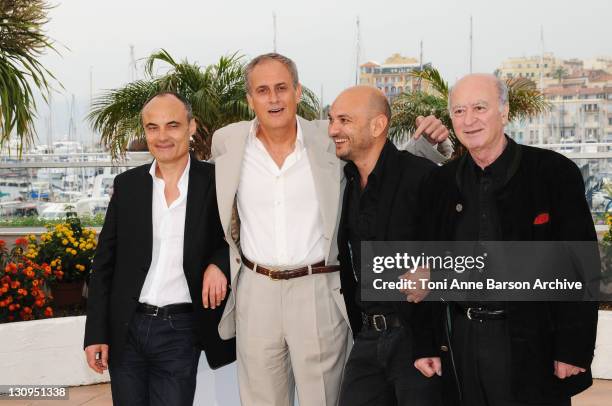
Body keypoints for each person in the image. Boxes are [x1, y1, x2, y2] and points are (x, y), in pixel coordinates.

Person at [211, 52, 450, 406]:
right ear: (250, 99)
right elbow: (209, 207)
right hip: (255, 291)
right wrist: (215, 261)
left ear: (297, 91)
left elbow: (384, 161)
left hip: (318, 290)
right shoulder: (227, 143)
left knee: (324, 399)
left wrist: (434, 144)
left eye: (281, 88)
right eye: (262, 90)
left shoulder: (330, 137)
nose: (273, 99)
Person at [414, 74, 599, 406]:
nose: (468, 120)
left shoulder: (554, 174)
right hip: (462, 340)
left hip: (531, 340)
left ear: (505, 111)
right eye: (458, 111)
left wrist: (573, 348)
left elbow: (581, 267)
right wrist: (426, 344)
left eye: (479, 108)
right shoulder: (439, 185)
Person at [84, 92, 235, 406]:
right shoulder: (127, 185)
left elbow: (240, 234)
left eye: (173, 125)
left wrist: (220, 263)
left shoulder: (216, 181)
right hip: (126, 328)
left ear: (191, 127)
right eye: (152, 128)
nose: (162, 136)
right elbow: (104, 264)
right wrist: (96, 333)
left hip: (180, 330)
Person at [330, 85, 447, 406]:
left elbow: (458, 248)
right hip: (368, 336)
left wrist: (430, 342)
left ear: (378, 126)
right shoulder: (351, 183)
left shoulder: (422, 177)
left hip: (416, 340)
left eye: (343, 120)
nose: (332, 130)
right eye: (331, 120)